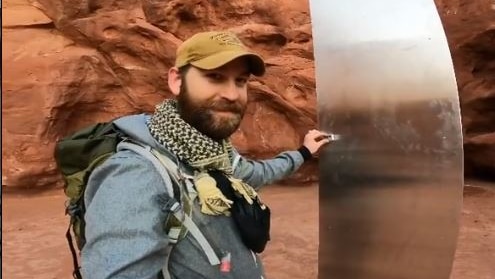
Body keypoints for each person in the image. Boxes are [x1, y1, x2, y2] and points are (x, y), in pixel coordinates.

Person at [81, 30, 330, 279]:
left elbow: (255, 174)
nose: (232, 94)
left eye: (240, 81)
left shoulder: (215, 152)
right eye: (215, 77)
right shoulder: (135, 174)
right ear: (177, 81)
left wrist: (304, 152)